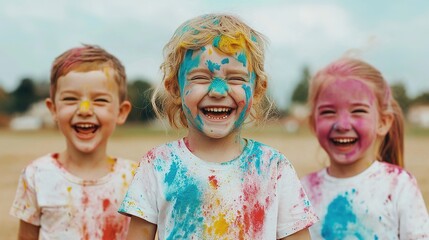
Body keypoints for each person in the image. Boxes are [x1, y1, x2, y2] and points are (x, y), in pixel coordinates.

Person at [118, 13, 318, 240]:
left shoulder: (274, 169)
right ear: (174, 88)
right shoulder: (158, 166)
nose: (218, 91)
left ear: (258, 89)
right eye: (201, 77)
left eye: (235, 78)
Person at [10, 44, 137, 239]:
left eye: (100, 100)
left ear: (121, 112)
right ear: (53, 109)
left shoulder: (136, 179)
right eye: (70, 99)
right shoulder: (36, 175)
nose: (85, 110)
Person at [301, 57, 429, 239]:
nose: (342, 125)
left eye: (358, 111)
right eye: (328, 112)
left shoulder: (399, 185)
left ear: (383, 122)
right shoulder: (303, 191)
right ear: (313, 123)